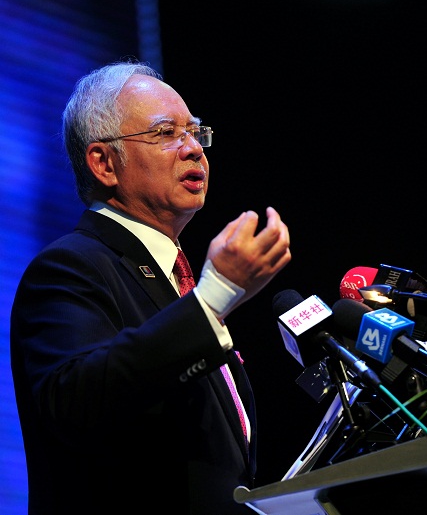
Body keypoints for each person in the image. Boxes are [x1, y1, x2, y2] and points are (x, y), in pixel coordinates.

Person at [9, 60, 291, 514]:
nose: (193, 149)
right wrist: (215, 297)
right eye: (165, 134)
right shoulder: (70, 267)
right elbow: (75, 401)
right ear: (103, 163)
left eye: (196, 132)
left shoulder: (171, 281)